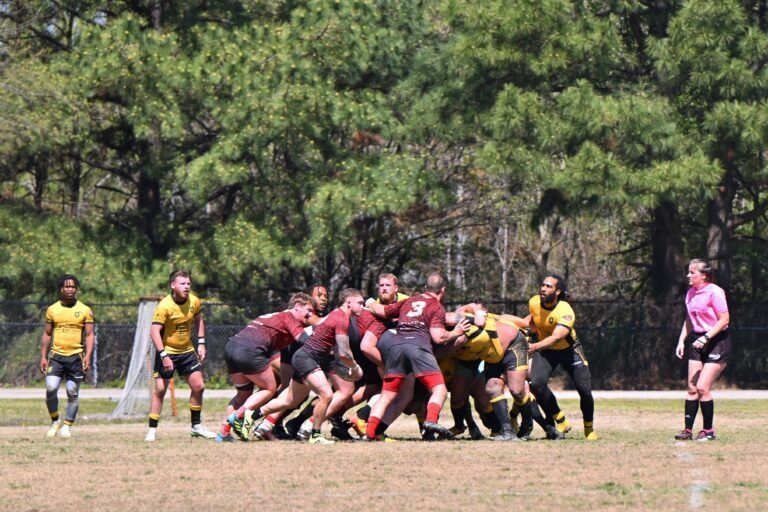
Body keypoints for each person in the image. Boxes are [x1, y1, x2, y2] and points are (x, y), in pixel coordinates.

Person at [365, 272, 470, 440]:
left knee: (387, 396)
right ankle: (430, 420)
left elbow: (382, 310)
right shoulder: (435, 306)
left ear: (425, 288)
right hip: (417, 348)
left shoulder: (409, 301)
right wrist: (456, 332)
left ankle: (370, 434)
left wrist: (369, 302)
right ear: (442, 290)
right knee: (440, 390)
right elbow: (438, 336)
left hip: (396, 348)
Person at [254, 288, 365, 444]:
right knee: (320, 395)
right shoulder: (319, 315)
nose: (323, 299)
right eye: (319, 296)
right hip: (306, 353)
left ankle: (256, 419)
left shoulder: (334, 315)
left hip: (319, 355)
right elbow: (340, 349)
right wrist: (354, 366)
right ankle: (309, 429)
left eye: (326, 296)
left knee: (293, 398)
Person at [216, 293, 314, 442]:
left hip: (232, 346)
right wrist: (327, 347)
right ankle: (238, 416)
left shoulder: (276, 316)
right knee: (269, 388)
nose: (310, 314)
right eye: (308, 309)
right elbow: (304, 340)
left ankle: (223, 433)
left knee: (243, 394)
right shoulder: (290, 318)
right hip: (249, 350)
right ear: (297, 307)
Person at [145, 269, 216, 441]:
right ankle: (152, 431)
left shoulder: (194, 301)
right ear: (173, 285)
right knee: (160, 390)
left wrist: (201, 343)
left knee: (199, 386)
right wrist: (163, 355)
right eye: (183, 284)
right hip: (167, 352)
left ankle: (196, 426)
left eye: (188, 284)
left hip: (187, 351)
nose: (186, 287)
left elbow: (199, 320)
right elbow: (154, 331)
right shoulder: (164, 306)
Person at [527, 274, 597, 441]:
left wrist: (534, 346)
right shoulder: (534, 302)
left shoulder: (565, 310)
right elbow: (532, 321)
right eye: (543, 285)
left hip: (569, 350)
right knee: (536, 384)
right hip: (547, 350)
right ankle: (560, 419)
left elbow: (557, 337)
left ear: (557, 291)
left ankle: (589, 429)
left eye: (549, 286)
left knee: (585, 391)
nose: (543, 288)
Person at [674, 258, 730, 441]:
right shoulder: (690, 293)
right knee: (691, 389)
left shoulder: (715, 292)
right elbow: (690, 319)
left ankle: (708, 430)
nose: (688, 275)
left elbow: (724, 320)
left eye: (692, 272)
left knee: (702, 387)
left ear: (704, 276)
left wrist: (707, 337)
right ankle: (687, 430)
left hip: (717, 341)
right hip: (698, 340)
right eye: (688, 272)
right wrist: (682, 340)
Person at [40, 275, 94, 438]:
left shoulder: (85, 310)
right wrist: (43, 356)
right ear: (60, 289)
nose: (70, 289)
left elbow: (90, 335)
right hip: (56, 356)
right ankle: (55, 421)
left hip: (76, 357)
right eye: (67, 286)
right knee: (51, 388)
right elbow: (47, 334)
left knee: (72, 392)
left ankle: (67, 426)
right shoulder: (52, 309)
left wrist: (88, 356)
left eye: (73, 287)